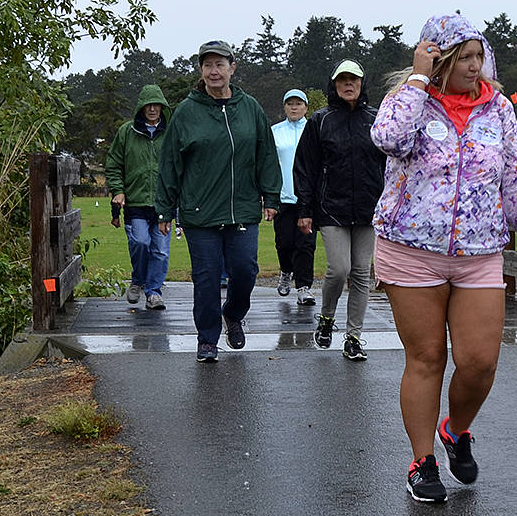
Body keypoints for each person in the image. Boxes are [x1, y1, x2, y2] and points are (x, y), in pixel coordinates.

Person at [372, 13, 517, 503]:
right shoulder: (409, 102)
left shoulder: (497, 108)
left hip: (479, 252)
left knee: (479, 362)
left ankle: (456, 430)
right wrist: (417, 79)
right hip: (410, 249)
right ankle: (422, 461)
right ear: (440, 58)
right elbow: (388, 139)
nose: (475, 66)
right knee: (427, 356)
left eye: (480, 56)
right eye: (465, 58)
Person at [155, 40, 282, 363]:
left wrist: (271, 195)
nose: (214, 71)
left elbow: (266, 153)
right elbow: (170, 162)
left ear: (232, 68)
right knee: (207, 277)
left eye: (220, 65)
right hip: (200, 213)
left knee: (245, 270)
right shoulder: (186, 111)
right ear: (201, 71)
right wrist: (165, 207)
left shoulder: (250, 107)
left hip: (243, 209)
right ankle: (207, 339)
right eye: (208, 65)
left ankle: (234, 314)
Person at [294, 60, 383, 360]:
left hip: (368, 209)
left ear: (361, 83)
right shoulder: (320, 120)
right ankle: (327, 316)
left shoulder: (376, 119)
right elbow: (305, 169)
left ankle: (353, 337)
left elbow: (390, 165)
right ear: (334, 84)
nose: (348, 84)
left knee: (361, 273)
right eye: (342, 80)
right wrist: (304, 209)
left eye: (354, 80)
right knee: (339, 268)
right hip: (331, 208)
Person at [105, 84, 172, 310]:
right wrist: (118, 190)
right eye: (148, 105)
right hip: (135, 202)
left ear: (162, 107)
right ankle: (137, 280)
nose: (152, 109)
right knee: (141, 243)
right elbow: (114, 163)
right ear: (141, 107)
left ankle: (153, 292)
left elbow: (180, 166)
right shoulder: (127, 132)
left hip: (163, 202)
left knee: (161, 250)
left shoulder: (171, 132)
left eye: (156, 105)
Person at [271, 88, 317, 304]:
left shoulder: (313, 128)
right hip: (283, 197)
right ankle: (285, 271)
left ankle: (304, 287)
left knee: (305, 244)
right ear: (285, 107)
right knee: (284, 242)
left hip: (308, 198)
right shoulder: (275, 131)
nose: (294, 107)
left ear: (306, 107)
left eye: (298, 104)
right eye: (290, 104)